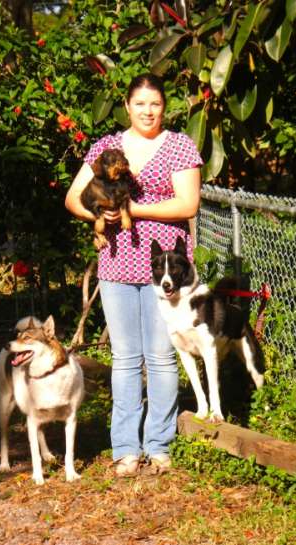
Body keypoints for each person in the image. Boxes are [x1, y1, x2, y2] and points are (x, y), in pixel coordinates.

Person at [65, 73, 202, 476]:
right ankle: (125, 447)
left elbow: (188, 204)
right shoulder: (107, 147)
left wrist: (132, 210)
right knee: (125, 357)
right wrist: (99, 212)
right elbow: (72, 198)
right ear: (127, 106)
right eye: (140, 103)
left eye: (155, 104)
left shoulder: (179, 145)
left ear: (164, 107)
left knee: (161, 356)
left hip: (167, 269)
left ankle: (158, 445)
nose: (147, 111)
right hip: (117, 262)